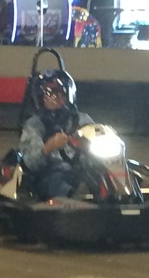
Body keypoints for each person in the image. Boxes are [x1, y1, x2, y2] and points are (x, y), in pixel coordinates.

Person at [17, 66, 95, 200]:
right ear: (41, 98)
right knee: (55, 180)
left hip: (81, 170)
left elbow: (95, 134)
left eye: (62, 93)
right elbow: (31, 163)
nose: (58, 97)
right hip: (51, 172)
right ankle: (73, 197)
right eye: (52, 93)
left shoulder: (81, 120)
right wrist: (49, 147)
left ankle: (121, 193)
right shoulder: (34, 125)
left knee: (100, 174)